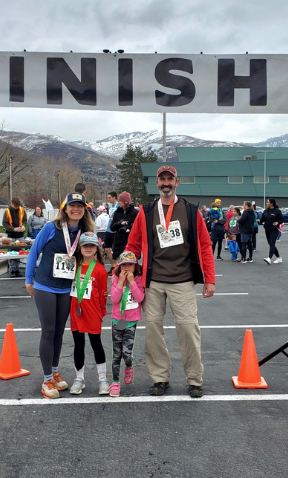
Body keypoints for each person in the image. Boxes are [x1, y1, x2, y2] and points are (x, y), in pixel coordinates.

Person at [125, 165, 215, 398]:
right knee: (153, 330)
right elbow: (132, 246)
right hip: (153, 282)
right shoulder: (144, 212)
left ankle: (194, 380)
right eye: (162, 179)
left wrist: (210, 279)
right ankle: (160, 378)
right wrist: (124, 271)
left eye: (170, 179)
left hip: (183, 281)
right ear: (156, 183)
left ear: (177, 182)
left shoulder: (191, 211)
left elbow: (205, 246)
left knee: (188, 329)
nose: (166, 183)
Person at [25, 192, 96, 399]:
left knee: (58, 332)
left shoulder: (85, 231)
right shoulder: (50, 228)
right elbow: (34, 253)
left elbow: (91, 259)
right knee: (48, 331)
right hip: (45, 286)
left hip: (67, 288)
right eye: (72, 206)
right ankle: (46, 379)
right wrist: (29, 280)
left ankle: (54, 372)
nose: (76, 209)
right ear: (65, 208)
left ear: (85, 210)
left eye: (80, 206)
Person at [68, 232, 109, 396]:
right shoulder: (74, 265)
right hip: (76, 311)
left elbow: (103, 293)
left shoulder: (100, 270)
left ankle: (103, 378)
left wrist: (101, 312)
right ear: (80, 247)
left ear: (96, 248)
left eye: (92, 246)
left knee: (96, 344)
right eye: (85, 246)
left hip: (93, 312)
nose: (88, 248)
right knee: (78, 345)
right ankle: (79, 378)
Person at [109, 251, 144, 397]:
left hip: (131, 322)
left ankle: (129, 365)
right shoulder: (116, 279)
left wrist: (132, 282)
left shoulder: (139, 279)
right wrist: (121, 282)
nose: (127, 268)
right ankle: (115, 381)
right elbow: (115, 299)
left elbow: (140, 297)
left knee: (126, 353)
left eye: (130, 265)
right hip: (117, 320)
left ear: (135, 267)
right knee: (116, 354)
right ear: (119, 267)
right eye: (124, 265)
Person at [3, 197, 28, 277]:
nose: (16, 207)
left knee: (19, 253)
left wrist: (23, 226)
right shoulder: (7, 211)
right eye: (15, 206)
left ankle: (17, 269)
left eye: (17, 206)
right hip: (11, 235)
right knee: (11, 253)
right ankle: (12, 269)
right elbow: (5, 223)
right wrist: (13, 229)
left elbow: (24, 220)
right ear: (12, 204)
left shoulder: (22, 210)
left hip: (20, 235)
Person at [110, 191, 138, 261]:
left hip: (130, 242)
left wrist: (130, 226)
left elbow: (139, 227)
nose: (118, 202)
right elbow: (112, 228)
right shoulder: (117, 212)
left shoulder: (135, 212)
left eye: (120, 201)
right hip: (118, 243)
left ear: (125, 202)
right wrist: (119, 223)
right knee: (118, 267)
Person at [260, 198, 284, 265]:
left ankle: (269, 258)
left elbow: (282, 219)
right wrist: (259, 221)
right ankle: (279, 258)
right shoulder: (266, 211)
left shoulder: (277, 211)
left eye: (267, 202)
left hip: (274, 229)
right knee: (271, 244)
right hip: (267, 229)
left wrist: (277, 222)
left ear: (271, 203)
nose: (266, 203)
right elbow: (262, 219)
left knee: (272, 243)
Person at [103, 191, 119, 271]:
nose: (108, 199)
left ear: (114, 197)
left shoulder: (118, 205)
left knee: (116, 249)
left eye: (109, 197)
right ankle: (113, 265)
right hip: (108, 230)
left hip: (115, 231)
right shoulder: (110, 206)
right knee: (107, 249)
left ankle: (116, 266)